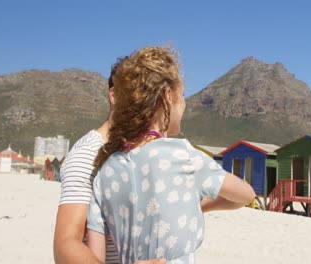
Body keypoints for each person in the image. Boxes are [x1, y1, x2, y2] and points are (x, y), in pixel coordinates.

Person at [86, 46, 256, 263]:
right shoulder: (184, 156)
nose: (184, 104)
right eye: (182, 96)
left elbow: (94, 257)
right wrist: (205, 205)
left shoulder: (105, 172)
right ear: (167, 97)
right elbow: (246, 195)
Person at [53, 58, 165, 264]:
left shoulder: (145, 151)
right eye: (135, 93)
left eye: (147, 95)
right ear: (114, 95)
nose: (142, 102)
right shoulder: (88, 153)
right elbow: (65, 246)